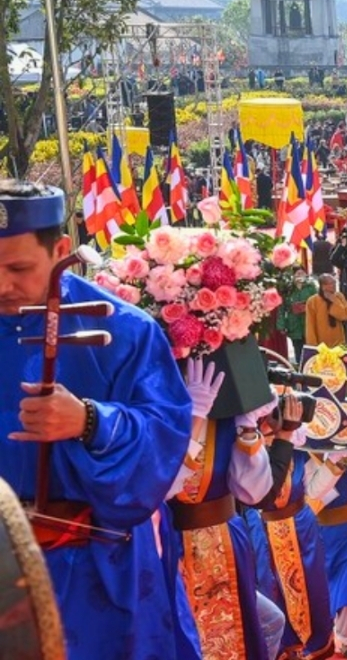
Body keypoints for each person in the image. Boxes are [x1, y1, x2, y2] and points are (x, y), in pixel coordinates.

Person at [0, 185, 192, 659]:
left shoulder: (125, 329)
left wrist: (90, 421)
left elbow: (166, 433)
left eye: (18, 269)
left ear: (62, 250)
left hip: (95, 567)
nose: (1, 286)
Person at [171, 359, 273, 659]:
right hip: (171, 544)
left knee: (255, 630)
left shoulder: (227, 412)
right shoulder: (159, 408)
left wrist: (249, 429)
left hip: (224, 541)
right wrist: (192, 421)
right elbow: (160, 486)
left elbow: (252, 492)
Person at [245, 395, 335, 659]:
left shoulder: (298, 448)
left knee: (312, 588)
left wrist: (337, 463)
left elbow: (315, 490)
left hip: (301, 526)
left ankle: (311, 645)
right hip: (262, 530)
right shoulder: (247, 447)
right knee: (270, 589)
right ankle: (283, 649)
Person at [306, 455, 347, 658]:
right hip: (321, 532)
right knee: (325, 588)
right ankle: (325, 635)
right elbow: (312, 494)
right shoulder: (305, 451)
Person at [279, 266, 317, 363]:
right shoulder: (288, 289)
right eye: (297, 274)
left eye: (302, 273)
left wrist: (306, 306)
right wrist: (281, 325)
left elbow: (317, 303)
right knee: (298, 350)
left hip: (309, 322)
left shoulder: (311, 287)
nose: (300, 276)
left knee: (311, 349)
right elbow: (282, 308)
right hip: (294, 324)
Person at [306, 274, 347, 347]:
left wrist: (334, 301)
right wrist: (312, 344)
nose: (334, 285)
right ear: (323, 286)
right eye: (331, 283)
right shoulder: (312, 301)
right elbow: (310, 325)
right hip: (321, 343)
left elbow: (345, 315)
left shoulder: (339, 296)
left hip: (339, 341)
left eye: (335, 282)